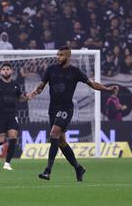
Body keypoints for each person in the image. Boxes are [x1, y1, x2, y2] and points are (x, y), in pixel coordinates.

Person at [29, 46, 119, 181]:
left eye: (61, 55)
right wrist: (35, 92)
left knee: (53, 134)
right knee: (61, 141)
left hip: (66, 109)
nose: (58, 57)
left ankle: (48, 171)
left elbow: (92, 84)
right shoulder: (50, 70)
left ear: (68, 57)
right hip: (53, 109)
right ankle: (78, 168)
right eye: (57, 55)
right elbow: (41, 85)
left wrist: (106, 89)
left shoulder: (75, 72)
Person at [0, 63, 29, 171]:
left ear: (11, 71)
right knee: (1, 140)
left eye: (7, 69)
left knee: (13, 137)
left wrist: (28, 97)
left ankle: (7, 163)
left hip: (12, 115)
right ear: (1, 72)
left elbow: (20, 98)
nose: (5, 71)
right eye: (4, 69)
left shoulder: (15, 85)